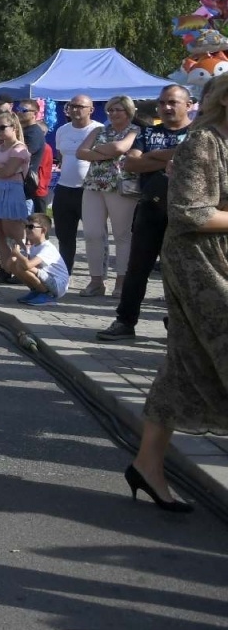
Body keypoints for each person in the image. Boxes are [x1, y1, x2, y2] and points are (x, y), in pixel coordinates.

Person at [122, 73, 228, 514]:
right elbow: (189, 214)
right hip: (197, 263)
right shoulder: (202, 142)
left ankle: (147, 465)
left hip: (221, 256)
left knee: (186, 362)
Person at [100, 84, 193, 342]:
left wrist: (153, 158)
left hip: (187, 211)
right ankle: (124, 321)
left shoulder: (198, 133)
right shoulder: (147, 131)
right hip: (151, 207)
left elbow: (152, 160)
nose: (166, 107)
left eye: (173, 102)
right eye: (163, 102)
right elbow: (131, 163)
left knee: (181, 272)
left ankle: (179, 325)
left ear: (189, 104)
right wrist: (174, 156)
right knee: (137, 269)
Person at [77, 94, 140, 298]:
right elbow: (80, 152)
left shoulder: (135, 130)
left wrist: (97, 151)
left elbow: (120, 148)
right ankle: (96, 281)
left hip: (121, 185)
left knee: (121, 235)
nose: (113, 114)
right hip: (94, 184)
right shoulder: (98, 130)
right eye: (110, 110)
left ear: (128, 111)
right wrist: (107, 153)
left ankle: (121, 281)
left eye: (117, 110)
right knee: (92, 233)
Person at [52, 95, 101, 276]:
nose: (75, 110)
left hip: (89, 189)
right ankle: (65, 271)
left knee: (94, 235)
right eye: (72, 106)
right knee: (64, 235)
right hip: (64, 188)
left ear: (91, 109)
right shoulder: (62, 130)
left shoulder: (99, 130)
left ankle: (97, 275)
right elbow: (62, 156)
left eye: (80, 106)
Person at [0, 110, 31, 283]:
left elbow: (7, 172)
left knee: (15, 234)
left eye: (2, 128)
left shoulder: (19, 148)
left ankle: (24, 268)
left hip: (12, 191)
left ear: (14, 127)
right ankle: (5, 268)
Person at [5, 213, 69, 306]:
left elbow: (27, 265)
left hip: (58, 284)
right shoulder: (33, 246)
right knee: (16, 264)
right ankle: (37, 291)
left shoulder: (47, 248)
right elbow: (8, 267)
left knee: (22, 265)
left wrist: (17, 254)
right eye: (26, 226)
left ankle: (47, 295)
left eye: (31, 227)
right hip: (46, 279)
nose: (27, 229)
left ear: (43, 230)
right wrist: (13, 253)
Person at [16, 100, 51, 214]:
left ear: (34, 114)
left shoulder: (34, 132)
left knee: (24, 224)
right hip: (17, 181)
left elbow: (22, 155)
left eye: (24, 110)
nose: (19, 112)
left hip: (25, 184)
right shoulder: (23, 130)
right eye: (19, 109)